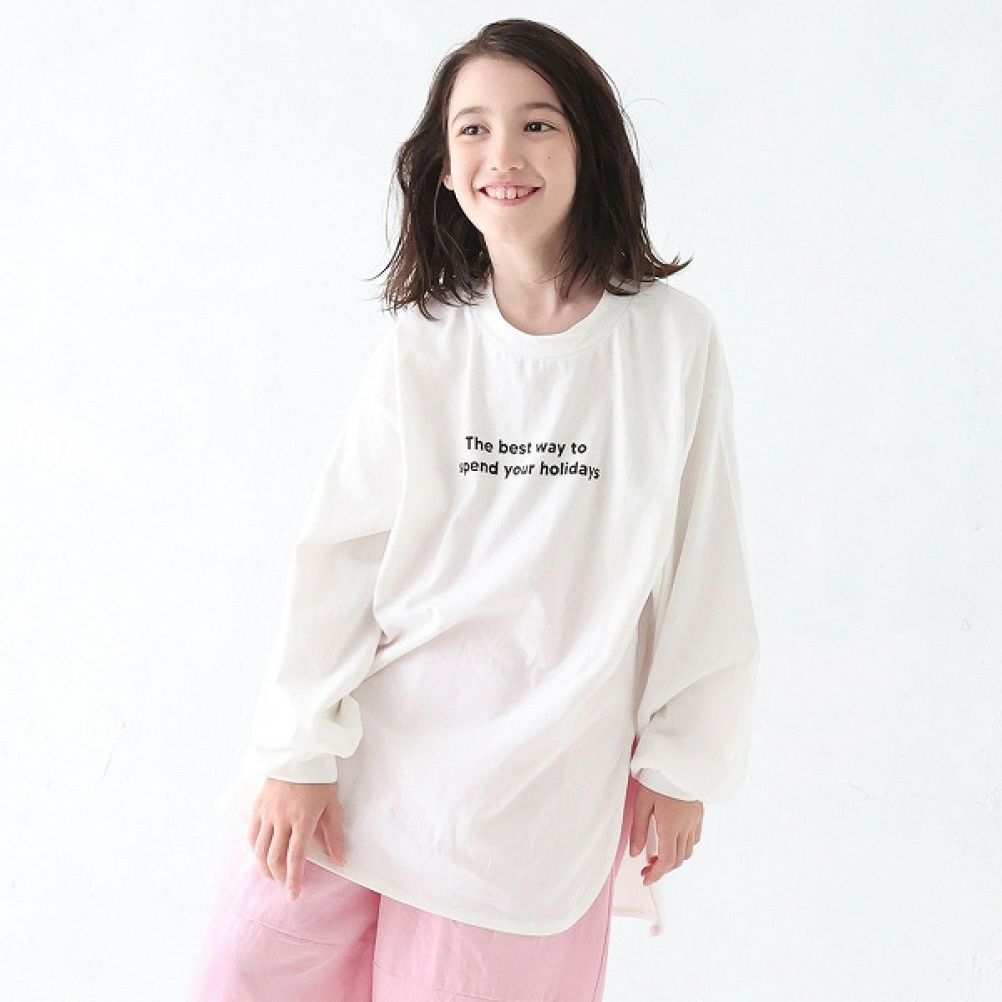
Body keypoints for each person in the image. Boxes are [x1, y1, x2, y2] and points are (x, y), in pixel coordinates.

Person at [190, 16, 760, 1002]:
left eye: (538, 125)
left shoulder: (670, 343)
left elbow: (703, 560)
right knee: (245, 976)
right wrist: (295, 747)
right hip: (359, 762)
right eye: (473, 130)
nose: (504, 155)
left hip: (529, 798)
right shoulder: (425, 343)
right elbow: (340, 556)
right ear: (445, 171)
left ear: (589, 147)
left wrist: (682, 763)